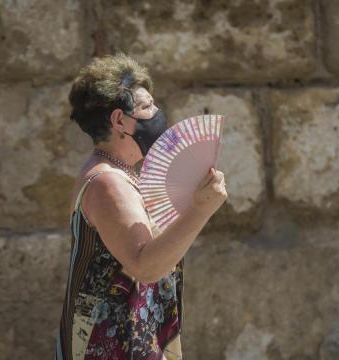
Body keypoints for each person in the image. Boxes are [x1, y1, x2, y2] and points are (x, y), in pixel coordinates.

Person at [54, 53, 227, 359]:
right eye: (147, 107)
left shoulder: (121, 174)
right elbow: (145, 267)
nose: (158, 113)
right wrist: (201, 210)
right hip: (108, 344)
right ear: (120, 120)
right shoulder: (108, 183)